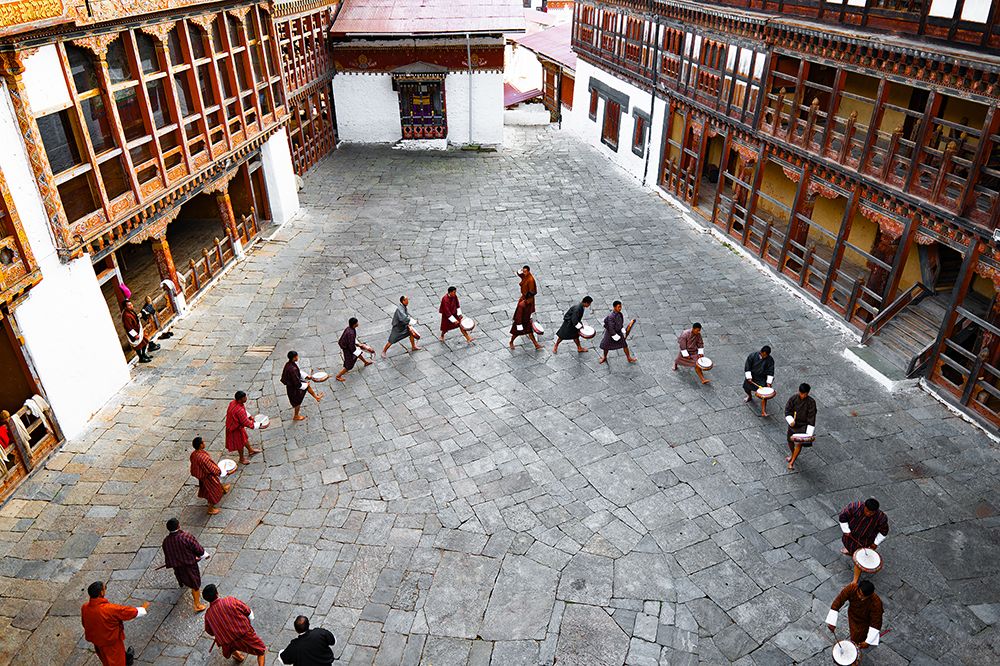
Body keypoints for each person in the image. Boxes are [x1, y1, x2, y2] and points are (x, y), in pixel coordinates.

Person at [81, 581, 148, 666]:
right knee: (116, 661)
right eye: (105, 588)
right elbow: (125, 612)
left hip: (97, 641)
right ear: (101, 592)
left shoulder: (84, 607)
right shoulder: (109, 609)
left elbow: (85, 623)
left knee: (105, 658)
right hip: (111, 642)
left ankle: (127, 658)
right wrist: (142, 609)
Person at [202, 584, 267, 665]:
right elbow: (247, 611)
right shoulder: (230, 601)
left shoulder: (208, 615)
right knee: (261, 651)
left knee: (230, 647)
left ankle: (239, 657)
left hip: (227, 641)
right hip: (243, 634)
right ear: (217, 593)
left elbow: (209, 631)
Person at [162, 518, 209, 612]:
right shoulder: (185, 537)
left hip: (177, 566)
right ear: (178, 526)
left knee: (180, 576)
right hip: (189, 565)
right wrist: (203, 555)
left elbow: (168, 554)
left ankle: (182, 583)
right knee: (195, 584)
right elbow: (198, 549)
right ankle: (197, 604)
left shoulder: (166, 541)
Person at [840, 498, 889, 584]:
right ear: (864, 507)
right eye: (867, 511)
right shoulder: (854, 507)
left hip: (865, 541)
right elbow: (843, 517)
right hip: (851, 536)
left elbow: (884, 532)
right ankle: (851, 552)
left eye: (872, 513)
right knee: (849, 546)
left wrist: (875, 543)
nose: (869, 514)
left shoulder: (881, 518)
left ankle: (855, 581)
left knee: (860, 558)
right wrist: (846, 530)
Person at [826, 580, 883, 654]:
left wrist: (868, 642)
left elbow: (876, 623)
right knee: (854, 632)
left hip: (865, 621)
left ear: (870, 595)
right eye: (859, 593)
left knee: (858, 636)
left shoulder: (876, 603)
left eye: (863, 597)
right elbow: (838, 601)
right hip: (852, 614)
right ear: (858, 588)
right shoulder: (851, 588)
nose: (860, 597)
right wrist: (832, 621)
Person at [190, 436, 231, 515]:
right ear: (200, 445)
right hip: (207, 476)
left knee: (215, 484)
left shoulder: (194, 454)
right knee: (212, 491)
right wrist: (221, 472)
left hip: (202, 475)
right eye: (203, 442)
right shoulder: (203, 458)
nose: (204, 443)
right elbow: (211, 468)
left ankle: (223, 489)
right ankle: (210, 508)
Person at [281, 351, 323, 421]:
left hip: (294, 384)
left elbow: (298, 372)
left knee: (308, 387)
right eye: (297, 356)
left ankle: (316, 397)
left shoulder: (289, 364)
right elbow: (297, 384)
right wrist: (306, 384)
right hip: (294, 388)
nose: (298, 357)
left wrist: (306, 376)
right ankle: (296, 416)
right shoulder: (292, 369)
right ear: (294, 357)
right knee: (297, 402)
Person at [226, 391, 266, 465]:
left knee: (244, 438)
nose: (246, 398)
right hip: (234, 429)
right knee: (240, 444)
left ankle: (250, 450)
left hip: (236, 426)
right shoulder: (239, 410)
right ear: (239, 400)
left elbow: (244, 412)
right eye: (244, 397)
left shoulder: (233, 402)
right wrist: (258, 425)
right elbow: (246, 423)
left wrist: (249, 416)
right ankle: (241, 459)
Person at [784, 382, 816, 470]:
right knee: (790, 441)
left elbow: (811, 417)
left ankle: (792, 462)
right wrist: (790, 421)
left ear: (808, 393)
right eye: (801, 394)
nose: (803, 396)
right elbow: (787, 410)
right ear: (799, 391)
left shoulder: (811, 402)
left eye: (805, 394)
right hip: (793, 424)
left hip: (803, 426)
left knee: (798, 444)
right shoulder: (793, 399)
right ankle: (793, 454)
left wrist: (809, 434)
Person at [122, 299, 159, 363]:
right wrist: (134, 335)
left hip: (138, 331)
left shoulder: (131, 311)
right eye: (129, 305)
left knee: (145, 342)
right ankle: (141, 358)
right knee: (138, 346)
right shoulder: (126, 316)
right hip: (135, 333)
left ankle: (144, 355)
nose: (131, 306)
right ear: (125, 307)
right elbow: (128, 327)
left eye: (131, 304)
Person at [336, 318, 372, 382]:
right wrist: (357, 348)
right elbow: (351, 345)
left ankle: (365, 362)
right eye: (357, 323)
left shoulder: (349, 328)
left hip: (348, 346)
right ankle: (338, 376)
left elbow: (350, 341)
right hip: (348, 349)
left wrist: (358, 345)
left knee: (358, 353)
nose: (358, 323)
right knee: (349, 365)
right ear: (354, 324)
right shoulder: (351, 333)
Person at [743, 345, 775, 416]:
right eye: (764, 355)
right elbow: (747, 367)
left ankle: (763, 411)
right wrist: (749, 377)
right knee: (746, 388)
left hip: (762, 378)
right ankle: (749, 396)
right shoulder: (752, 356)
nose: (764, 357)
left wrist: (769, 382)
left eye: (766, 356)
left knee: (764, 395)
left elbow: (771, 371)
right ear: (761, 352)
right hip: (752, 376)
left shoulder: (770, 360)